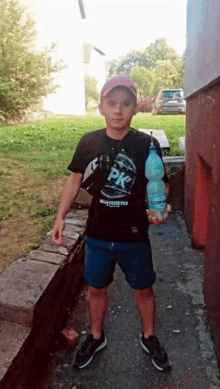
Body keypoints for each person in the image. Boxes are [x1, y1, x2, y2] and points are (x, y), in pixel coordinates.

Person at [52, 76, 172, 371]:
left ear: (135, 109)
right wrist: (60, 216)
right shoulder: (89, 141)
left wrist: (160, 208)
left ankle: (149, 336)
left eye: (126, 103)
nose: (119, 110)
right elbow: (75, 179)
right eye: (112, 103)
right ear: (101, 108)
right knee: (96, 289)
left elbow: (161, 185)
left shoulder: (148, 144)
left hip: (134, 237)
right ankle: (95, 336)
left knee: (143, 289)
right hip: (98, 235)